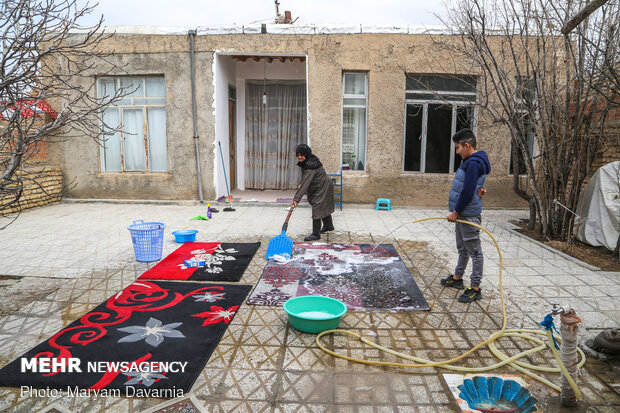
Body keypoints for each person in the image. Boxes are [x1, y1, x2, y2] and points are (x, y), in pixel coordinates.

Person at [441, 128, 491, 303]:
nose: (457, 152)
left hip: (467, 214)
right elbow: (475, 187)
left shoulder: (474, 163)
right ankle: (457, 278)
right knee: (463, 248)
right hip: (464, 212)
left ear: (467, 145)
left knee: (475, 252)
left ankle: (475, 288)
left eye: (458, 148)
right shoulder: (470, 161)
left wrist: (456, 212)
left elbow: (468, 190)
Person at [292, 144, 335, 241]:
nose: (299, 157)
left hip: (323, 187)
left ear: (306, 155)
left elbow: (306, 183)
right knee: (322, 206)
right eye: (298, 155)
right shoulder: (309, 160)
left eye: (301, 155)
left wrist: (296, 199)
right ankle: (328, 226)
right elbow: (306, 179)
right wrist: (302, 183)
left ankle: (316, 234)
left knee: (317, 207)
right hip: (321, 186)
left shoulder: (311, 165)